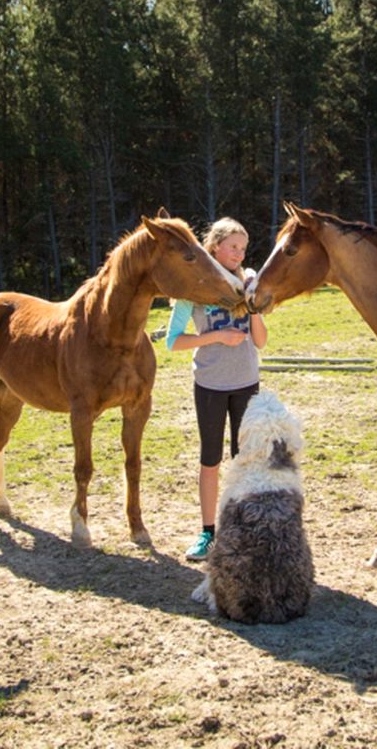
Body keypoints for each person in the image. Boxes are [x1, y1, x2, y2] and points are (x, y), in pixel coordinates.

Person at [164, 217, 268, 561]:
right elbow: (172, 342)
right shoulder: (193, 290)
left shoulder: (247, 283)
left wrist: (252, 305)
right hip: (210, 385)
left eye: (243, 248)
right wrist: (216, 337)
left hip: (247, 383)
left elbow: (262, 341)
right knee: (210, 460)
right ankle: (208, 532)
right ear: (215, 247)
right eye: (232, 246)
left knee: (245, 461)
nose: (239, 253)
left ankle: (240, 528)